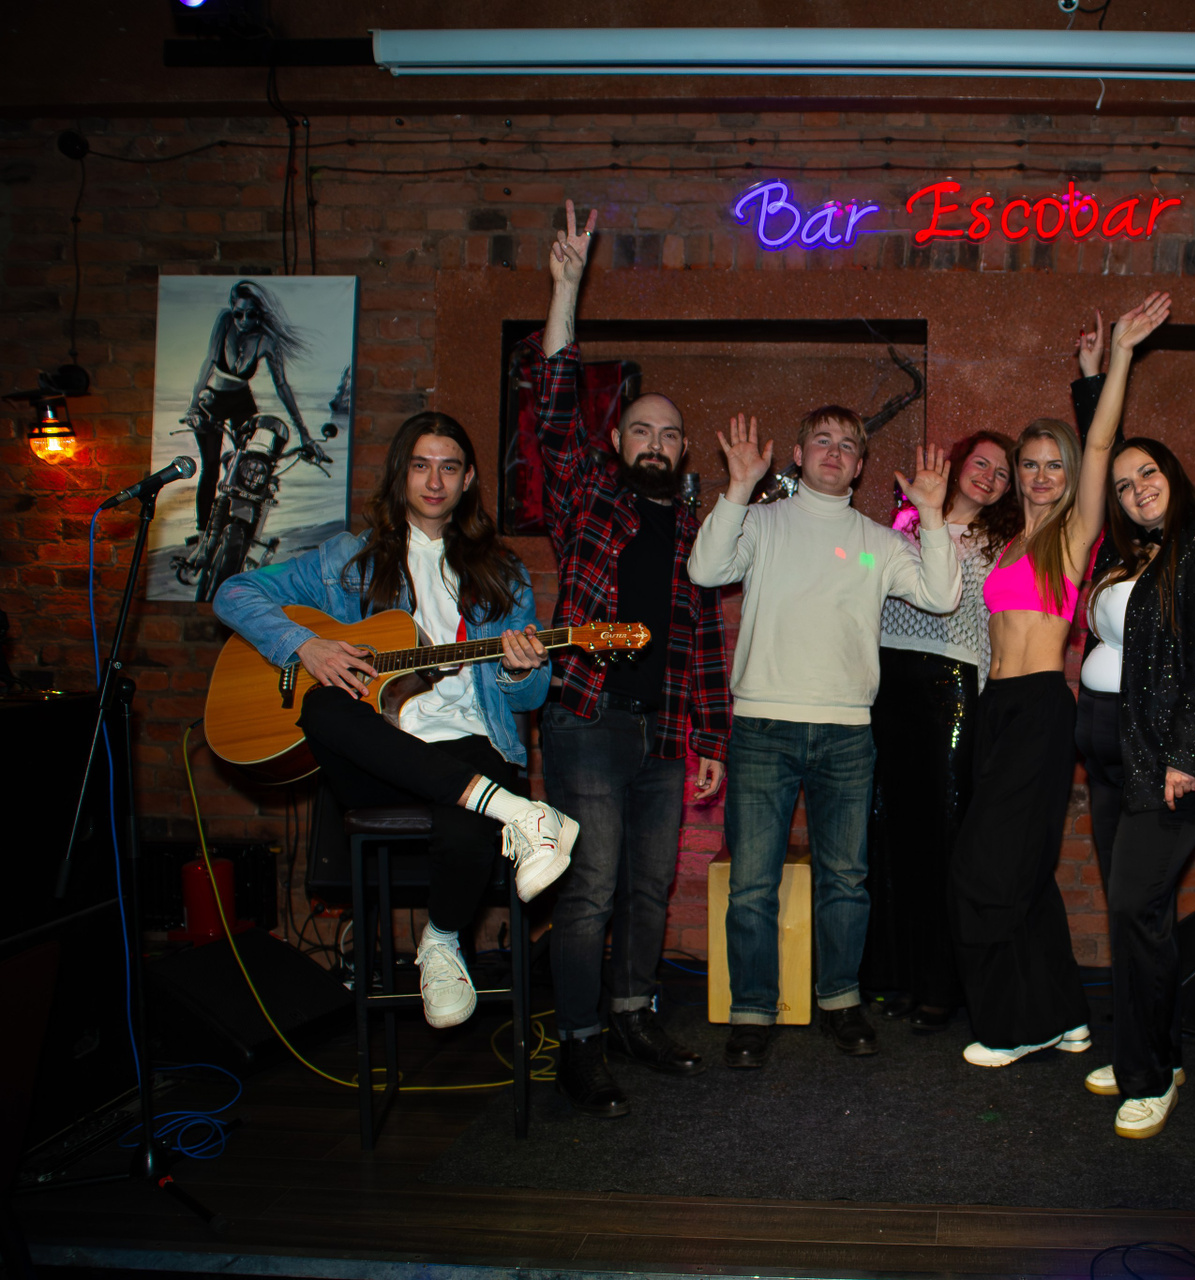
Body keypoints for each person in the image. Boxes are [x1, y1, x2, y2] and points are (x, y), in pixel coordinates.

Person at [213, 413, 572, 1031]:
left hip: (467, 742)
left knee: (467, 818)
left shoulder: (502, 572)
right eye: (421, 465)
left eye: (449, 468)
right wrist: (304, 645)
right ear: (401, 472)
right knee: (322, 706)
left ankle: (440, 941)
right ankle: (522, 814)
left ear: (468, 480)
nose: (434, 481)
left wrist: (522, 669)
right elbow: (232, 593)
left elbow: (526, 699)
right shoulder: (346, 559)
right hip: (375, 752)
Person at [531, 201, 731, 1118]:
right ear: (618, 443)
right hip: (587, 722)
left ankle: (630, 1016)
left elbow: (706, 643)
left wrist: (709, 740)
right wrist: (567, 287)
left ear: (684, 453)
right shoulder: (589, 498)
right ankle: (577, 1044)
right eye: (641, 430)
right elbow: (553, 408)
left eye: (669, 435)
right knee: (591, 889)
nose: (655, 443)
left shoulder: (693, 531)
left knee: (650, 886)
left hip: (664, 733)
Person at [688, 408, 959, 1068]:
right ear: (799, 453)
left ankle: (841, 1001)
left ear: (860, 466)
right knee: (752, 883)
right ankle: (753, 1011)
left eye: (846, 446)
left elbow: (942, 594)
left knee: (846, 882)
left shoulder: (876, 543)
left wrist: (930, 514)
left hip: (847, 733)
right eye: (821, 441)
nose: (834, 452)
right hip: (762, 727)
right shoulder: (760, 522)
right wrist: (737, 486)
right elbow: (705, 570)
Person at [949, 291, 1172, 1070]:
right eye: (1031, 464)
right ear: (1016, 472)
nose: (1042, 476)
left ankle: (1016, 1025)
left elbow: (1102, 439)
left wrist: (1116, 362)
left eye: (1055, 465)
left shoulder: (1075, 534)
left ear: (1070, 475)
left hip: (1042, 707)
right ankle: (1065, 1014)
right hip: (996, 707)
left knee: (983, 870)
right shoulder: (1011, 539)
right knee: (1026, 871)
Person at [1076, 435, 1195, 1139]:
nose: (1137, 488)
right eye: (1122, 484)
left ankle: (1145, 1079)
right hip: (1110, 755)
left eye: (1146, 472)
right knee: (1145, 918)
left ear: (1172, 472)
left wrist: (1188, 754)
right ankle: (1154, 1053)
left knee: (1132, 906)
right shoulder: (1125, 552)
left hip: (1165, 760)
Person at [865, 431, 1020, 1035]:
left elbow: (993, 625)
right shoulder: (903, 525)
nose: (990, 477)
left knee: (945, 835)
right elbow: (868, 587)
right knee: (890, 831)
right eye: (982, 463)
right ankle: (898, 975)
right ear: (956, 465)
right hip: (888, 685)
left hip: (954, 689)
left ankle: (941, 985)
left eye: (1002, 473)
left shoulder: (1003, 542)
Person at [185, 280, 332, 533]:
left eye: (251, 314)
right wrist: (193, 407)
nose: (243, 320)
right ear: (232, 310)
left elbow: (282, 386)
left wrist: (304, 433)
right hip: (213, 400)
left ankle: (237, 525)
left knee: (250, 465)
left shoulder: (266, 341)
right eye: (238, 314)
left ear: (259, 315)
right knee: (209, 467)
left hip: (242, 401)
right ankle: (202, 532)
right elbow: (209, 362)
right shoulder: (224, 321)